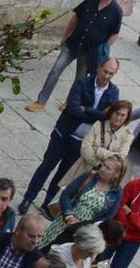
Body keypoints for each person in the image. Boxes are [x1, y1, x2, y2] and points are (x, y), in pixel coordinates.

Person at [21, 57, 118, 212]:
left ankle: (47, 202)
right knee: (46, 166)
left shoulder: (113, 92)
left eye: (111, 73)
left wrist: (87, 109)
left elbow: (108, 116)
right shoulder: (82, 83)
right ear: (99, 68)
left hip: (83, 141)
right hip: (64, 134)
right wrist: (96, 114)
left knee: (63, 174)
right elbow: (73, 108)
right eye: (105, 71)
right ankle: (28, 198)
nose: (107, 76)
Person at [27, 0, 123, 110]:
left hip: (90, 51)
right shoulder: (90, 1)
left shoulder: (116, 12)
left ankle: (69, 102)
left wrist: (104, 49)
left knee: (80, 80)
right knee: (55, 70)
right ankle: (41, 101)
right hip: (73, 43)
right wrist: (66, 35)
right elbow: (75, 17)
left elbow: (114, 34)